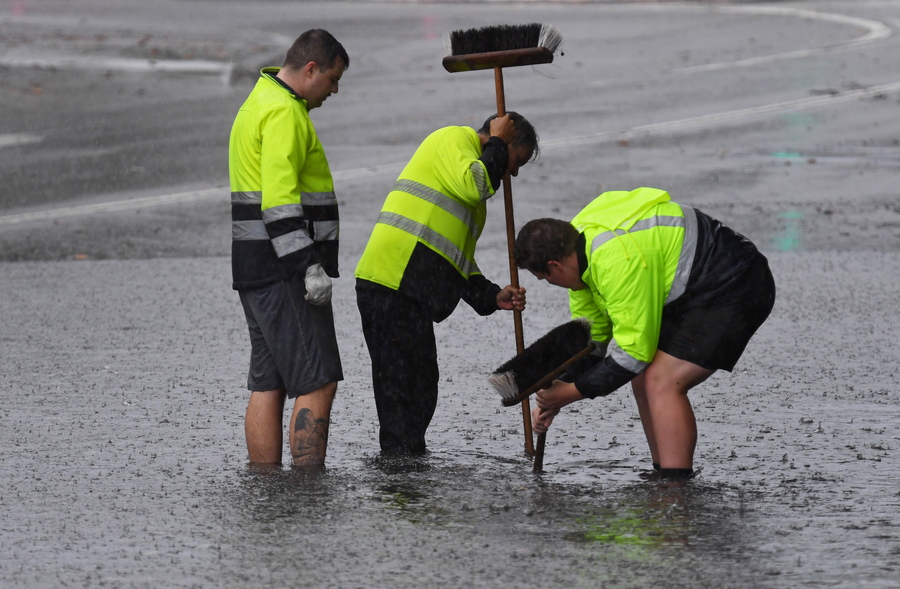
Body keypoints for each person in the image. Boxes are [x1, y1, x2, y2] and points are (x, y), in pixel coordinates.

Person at [514, 187, 775, 478]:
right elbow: (594, 343)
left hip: (735, 282)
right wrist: (556, 389)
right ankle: (662, 471)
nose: (551, 285)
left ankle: (675, 490)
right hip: (692, 286)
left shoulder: (615, 262)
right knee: (642, 377)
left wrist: (569, 394)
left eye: (545, 279)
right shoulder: (580, 253)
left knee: (662, 381)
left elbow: (633, 354)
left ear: (555, 266)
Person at [355, 112, 537, 455]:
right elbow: (477, 185)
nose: (512, 172)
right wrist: (497, 141)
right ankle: (398, 470)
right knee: (401, 387)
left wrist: (489, 295)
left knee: (421, 385)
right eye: (517, 160)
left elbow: (451, 254)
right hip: (391, 281)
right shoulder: (454, 140)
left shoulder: (468, 179)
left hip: (409, 290)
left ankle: (407, 459)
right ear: (504, 140)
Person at [228, 29, 349, 467]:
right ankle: (307, 487)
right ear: (311, 68)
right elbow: (280, 201)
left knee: (269, 382)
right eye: (332, 79)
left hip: (253, 266)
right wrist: (307, 266)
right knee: (318, 381)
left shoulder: (257, 102)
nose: (334, 90)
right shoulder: (285, 113)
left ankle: (265, 483)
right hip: (285, 270)